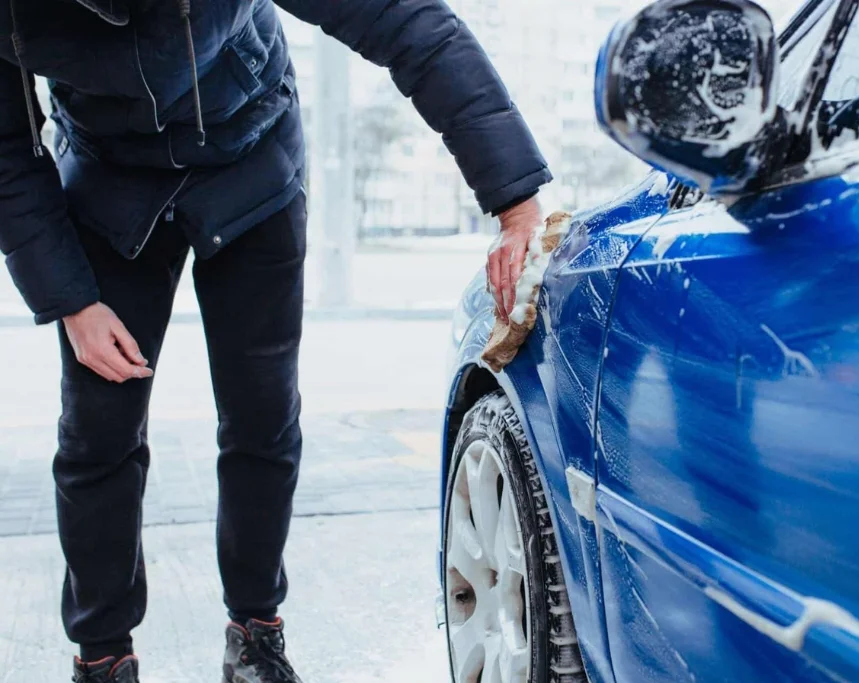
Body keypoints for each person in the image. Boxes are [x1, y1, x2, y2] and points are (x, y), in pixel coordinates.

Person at [0, 1, 549, 681]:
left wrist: (516, 198)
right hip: (106, 181)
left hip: (250, 159)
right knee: (96, 432)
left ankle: (255, 632)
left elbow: (406, 23)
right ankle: (102, 653)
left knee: (262, 414)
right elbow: (5, 149)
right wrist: (71, 300)